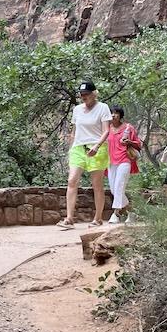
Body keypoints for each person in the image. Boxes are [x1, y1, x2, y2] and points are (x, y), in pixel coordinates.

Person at [57, 81, 111, 229]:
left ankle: (98, 218)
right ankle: (69, 218)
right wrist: (71, 147)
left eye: (86, 94)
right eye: (81, 95)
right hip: (78, 148)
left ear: (94, 93)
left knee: (97, 185)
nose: (84, 97)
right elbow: (74, 130)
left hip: (97, 148)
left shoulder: (103, 108)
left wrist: (97, 146)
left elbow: (106, 130)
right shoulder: (77, 110)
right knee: (72, 180)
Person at [106, 106, 141, 224]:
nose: (113, 115)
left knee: (119, 186)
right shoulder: (107, 128)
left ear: (120, 115)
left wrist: (129, 142)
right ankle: (132, 212)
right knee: (113, 190)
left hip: (125, 160)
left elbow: (138, 145)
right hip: (110, 162)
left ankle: (115, 214)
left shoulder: (128, 128)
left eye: (116, 113)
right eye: (111, 113)